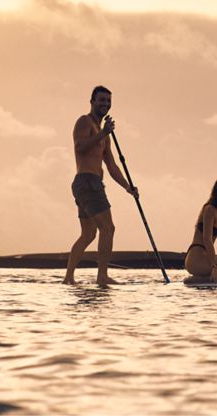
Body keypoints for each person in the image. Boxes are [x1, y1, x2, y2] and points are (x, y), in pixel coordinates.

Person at [63, 85, 137, 286]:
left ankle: (68, 278)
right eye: (101, 100)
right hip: (87, 182)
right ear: (92, 101)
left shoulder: (105, 134)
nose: (105, 104)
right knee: (108, 229)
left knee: (88, 234)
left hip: (92, 184)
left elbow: (112, 165)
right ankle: (102, 276)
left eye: (108, 101)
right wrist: (103, 133)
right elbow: (80, 147)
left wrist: (128, 187)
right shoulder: (84, 122)